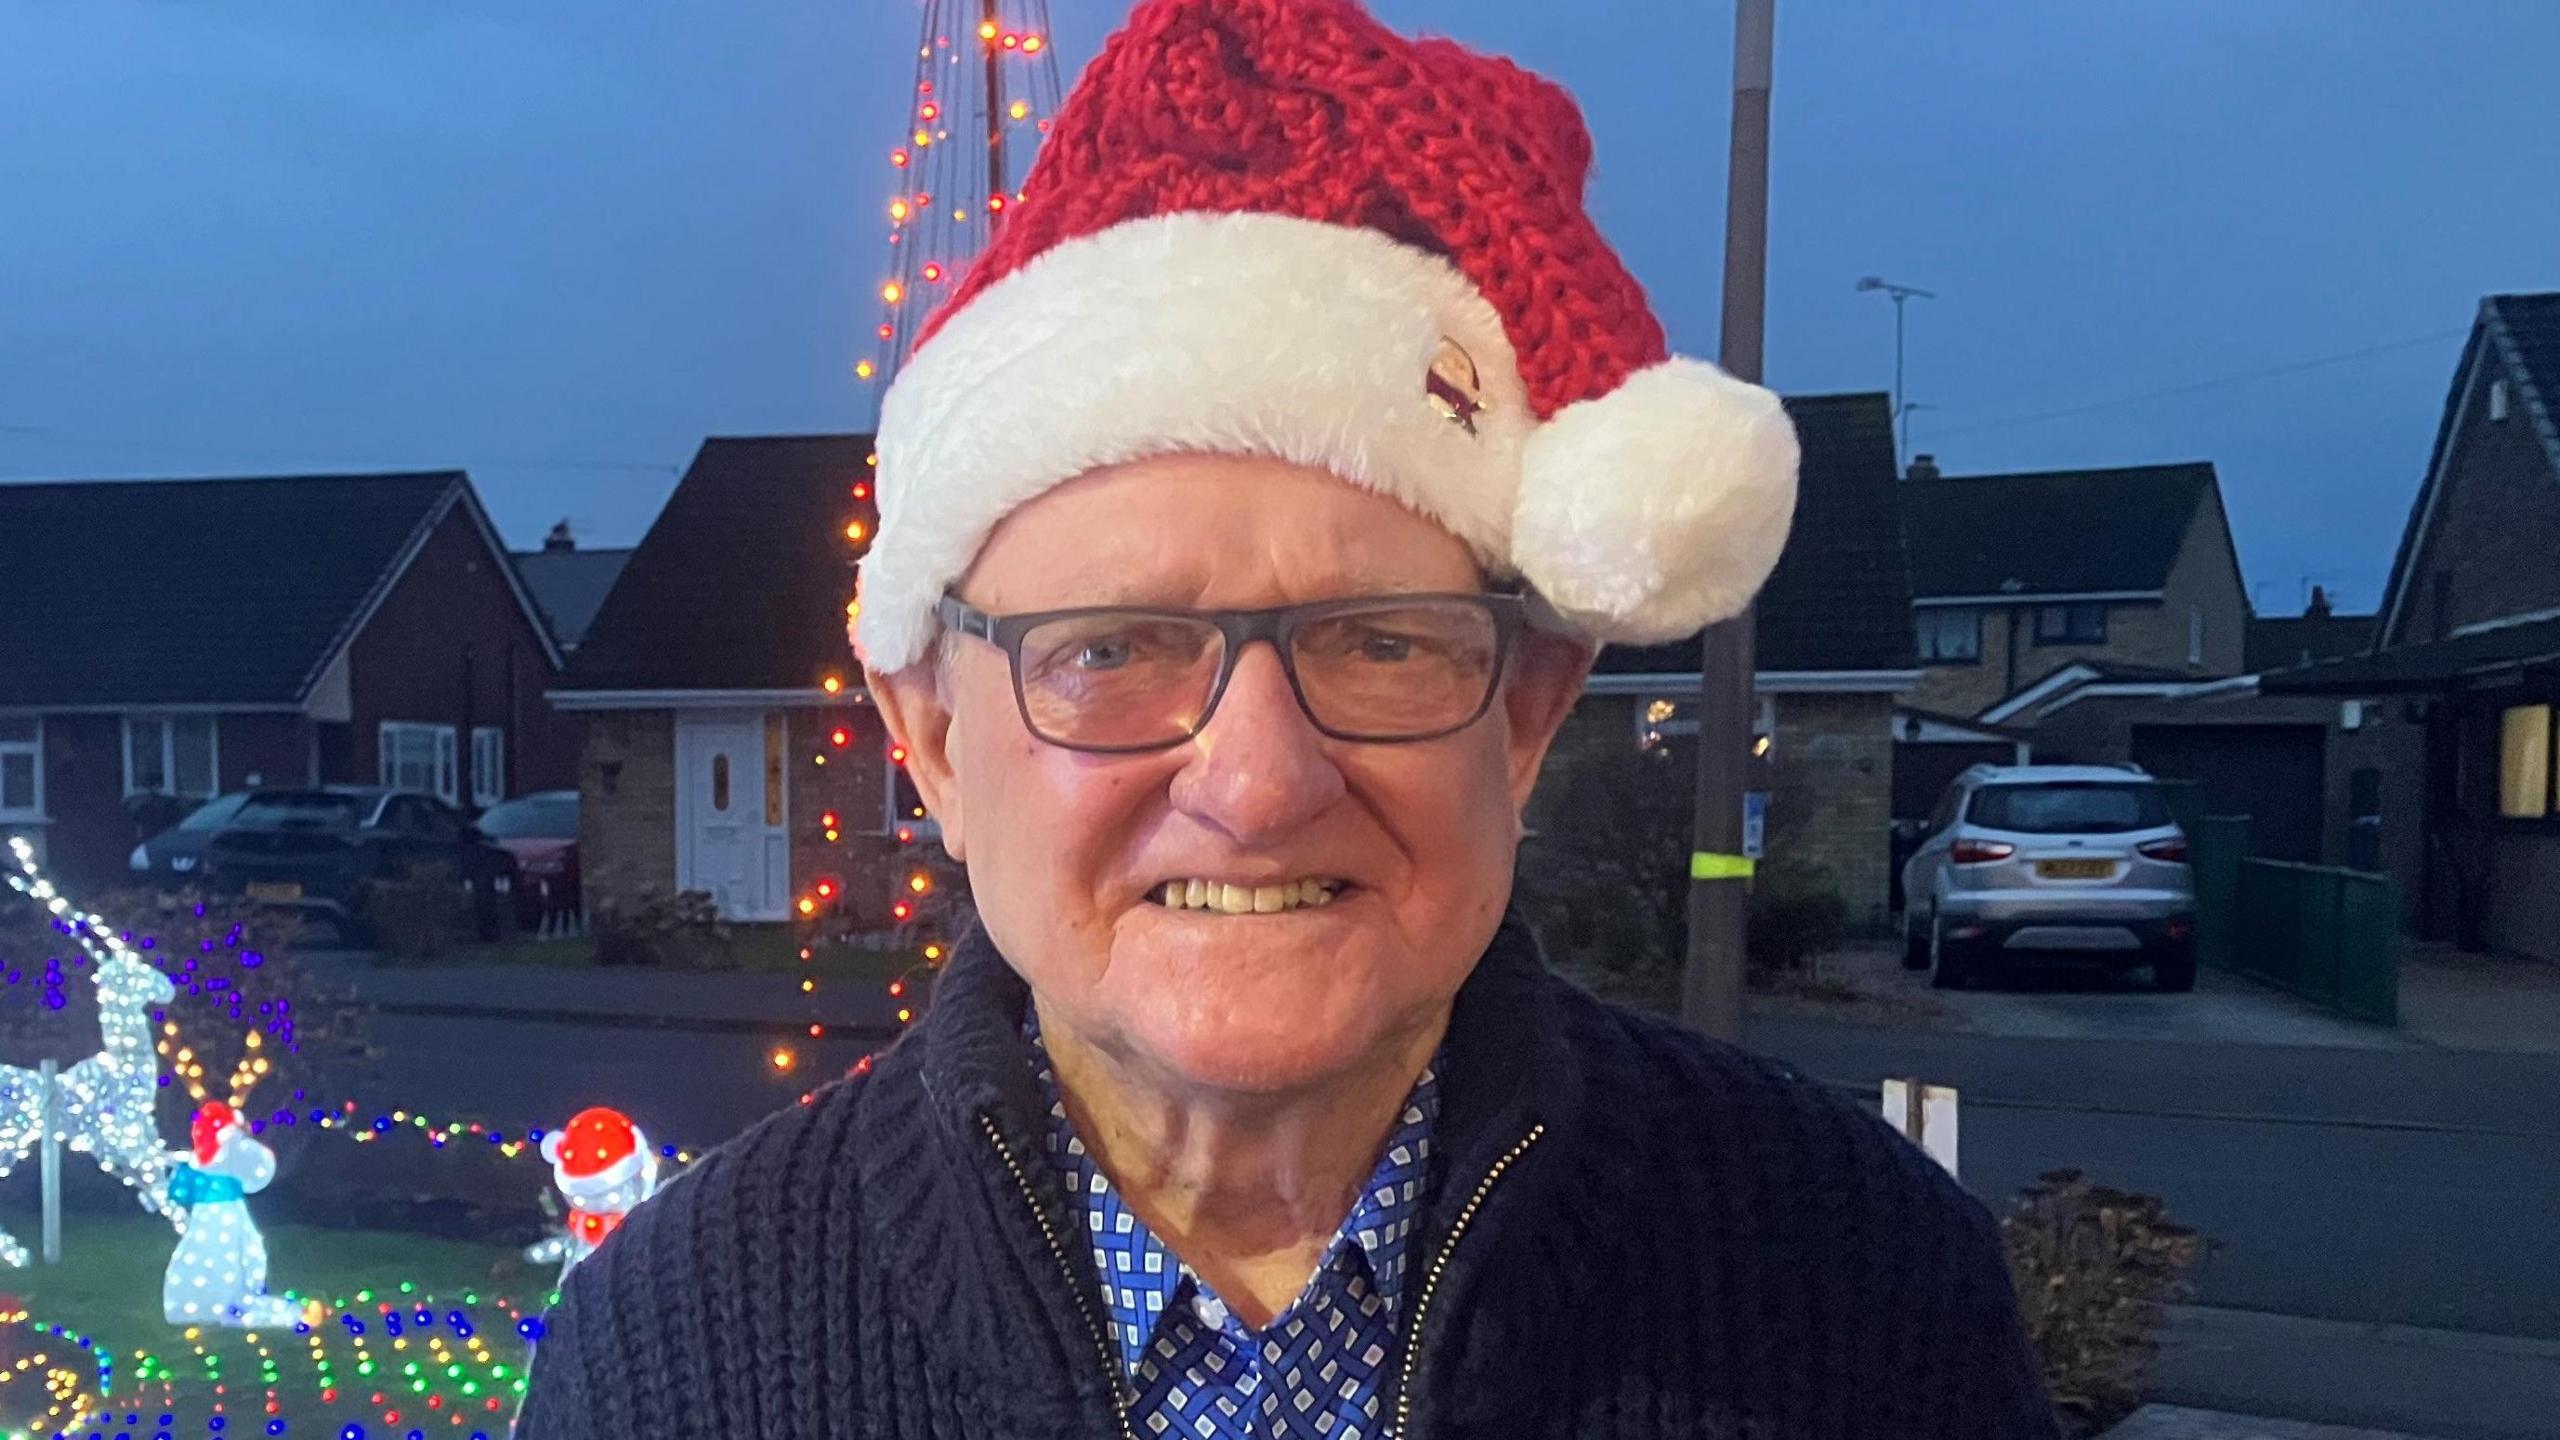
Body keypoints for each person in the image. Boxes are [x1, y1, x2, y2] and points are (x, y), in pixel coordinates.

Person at [514, 1, 2058, 1436]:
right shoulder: (674, 1354)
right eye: (1110, 648)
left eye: (1382, 644)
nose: (1256, 781)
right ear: (929, 741)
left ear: (1524, 716)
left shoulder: (1867, 1296)